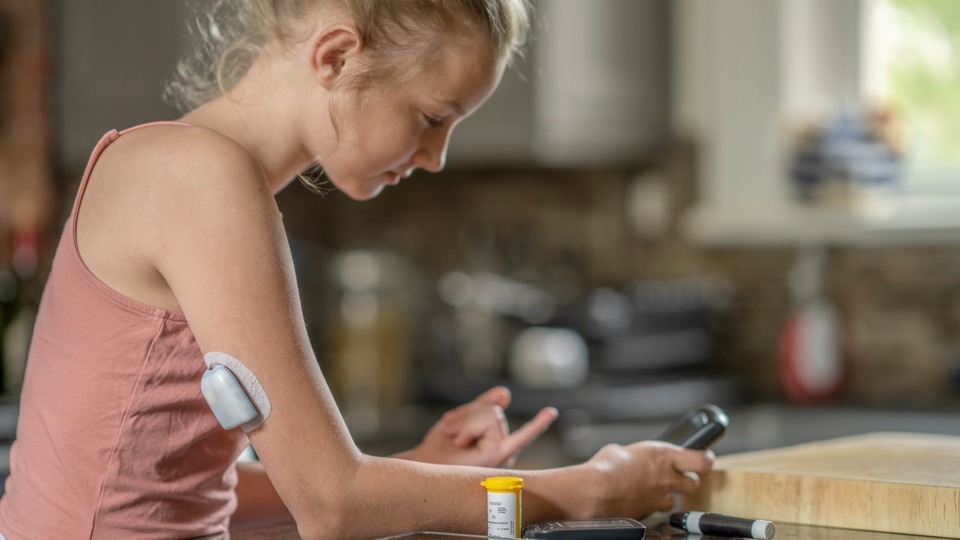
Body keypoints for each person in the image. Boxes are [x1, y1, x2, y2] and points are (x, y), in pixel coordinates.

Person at [0, 1, 714, 538]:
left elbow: (175, 481)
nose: (436, 157)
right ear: (337, 57)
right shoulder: (198, 180)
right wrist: (588, 490)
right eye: (433, 117)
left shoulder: (187, 171)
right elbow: (334, 505)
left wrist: (416, 466)